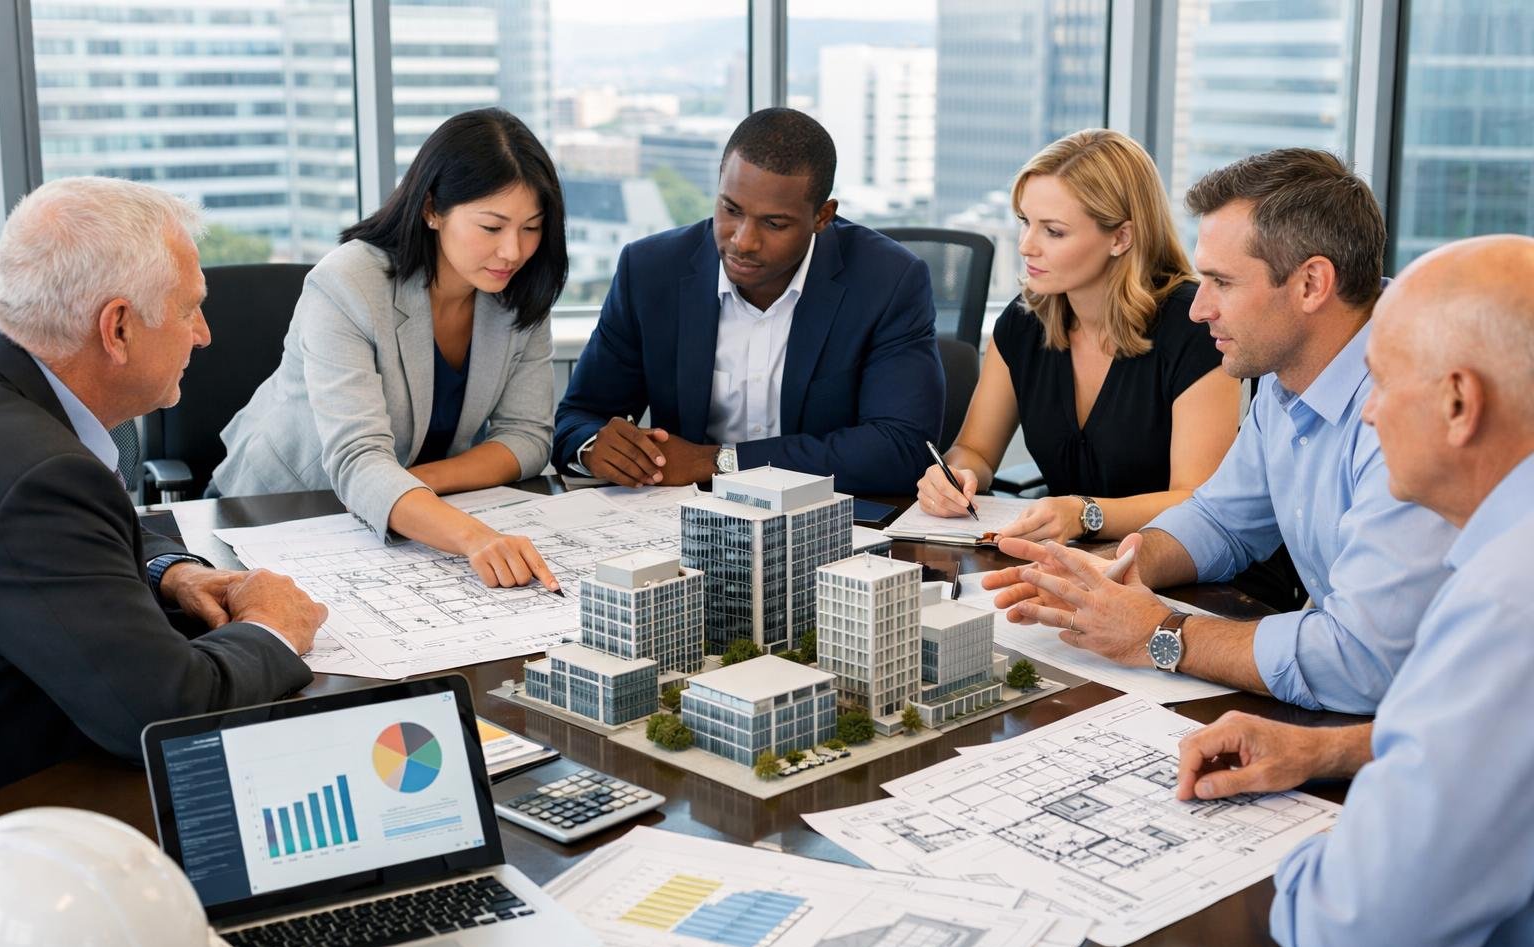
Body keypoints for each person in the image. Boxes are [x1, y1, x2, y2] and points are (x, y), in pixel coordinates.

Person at [1174, 235, 1534, 947]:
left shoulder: (1510, 601)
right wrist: (1335, 749)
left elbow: (1354, 936)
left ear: (1459, 403)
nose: (1367, 411)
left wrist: (1312, 856)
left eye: (1382, 381)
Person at [984, 149, 1457, 714]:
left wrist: (1159, 634)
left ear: (1311, 284)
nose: (1198, 308)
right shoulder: (1287, 377)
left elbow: (1358, 660)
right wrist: (1113, 570)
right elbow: (1221, 519)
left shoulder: (1413, 408)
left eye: (1221, 282)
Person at [0, 176, 327, 787]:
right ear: (118, 328)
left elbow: (73, 531)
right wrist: (273, 627)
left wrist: (170, 572)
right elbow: (167, 713)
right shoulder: (43, 476)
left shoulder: (26, 412)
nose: (203, 333)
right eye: (188, 309)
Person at [213, 108, 566, 591]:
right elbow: (358, 459)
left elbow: (527, 438)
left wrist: (415, 485)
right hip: (280, 513)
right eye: (492, 227)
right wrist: (472, 536)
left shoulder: (519, 291)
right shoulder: (347, 284)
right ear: (432, 209)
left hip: (408, 519)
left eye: (531, 227)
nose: (514, 251)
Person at [552, 107, 942, 494]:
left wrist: (717, 461)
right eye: (731, 210)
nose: (743, 241)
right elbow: (579, 417)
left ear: (822, 216)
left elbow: (903, 448)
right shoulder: (650, 271)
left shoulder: (888, 281)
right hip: (682, 517)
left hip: (826, 518)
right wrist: (595, 448)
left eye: (774, 223)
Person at [915, 129, 1241, 543]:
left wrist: (1085, 513)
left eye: (1053, 231)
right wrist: (955, 476)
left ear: (1120, 237)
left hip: (1175, 561)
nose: (1026, 246)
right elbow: (975, 450)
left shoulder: (1195, 325)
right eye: (1025, 222)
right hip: (1065, 556)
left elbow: (1195, 500)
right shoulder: (1024, 321)